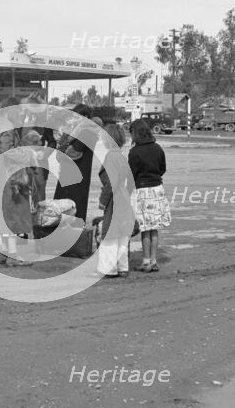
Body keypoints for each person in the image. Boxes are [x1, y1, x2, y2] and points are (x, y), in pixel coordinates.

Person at [0, 97, 36, 267]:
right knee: (11, 215)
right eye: (18, 110)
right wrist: (27, 155)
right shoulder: (7, 126)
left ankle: (5, 253)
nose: (21, 113)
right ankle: (13, 256)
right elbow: (7, 150)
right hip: (9, 179)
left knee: (3, 216)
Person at [128, 119, 171, 272]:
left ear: (136, 133)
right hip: (157, 190)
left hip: (142, 192)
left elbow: (131, 174)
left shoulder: (134, 152)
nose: (130, 136)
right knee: (155, 229)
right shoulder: (158, 148)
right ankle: (154, 260)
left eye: (131, 133)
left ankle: (145, 261)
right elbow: (162, 168)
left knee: (145, 229)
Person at [96, 123, 134, 278]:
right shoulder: (121, 155)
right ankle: (123, 267)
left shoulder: (110, 156)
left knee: (110, 235)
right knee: (123, 235)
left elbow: (110, 182)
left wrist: (102, 201)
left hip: (113, 200)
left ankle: (109, 268)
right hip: (123, 197)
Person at [54, 103, 97, 222]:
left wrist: (64, 146)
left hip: (77, 178)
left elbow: (73, 152)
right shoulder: (75, 132)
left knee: (74, 209)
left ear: (84, 116)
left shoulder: (87, 132)